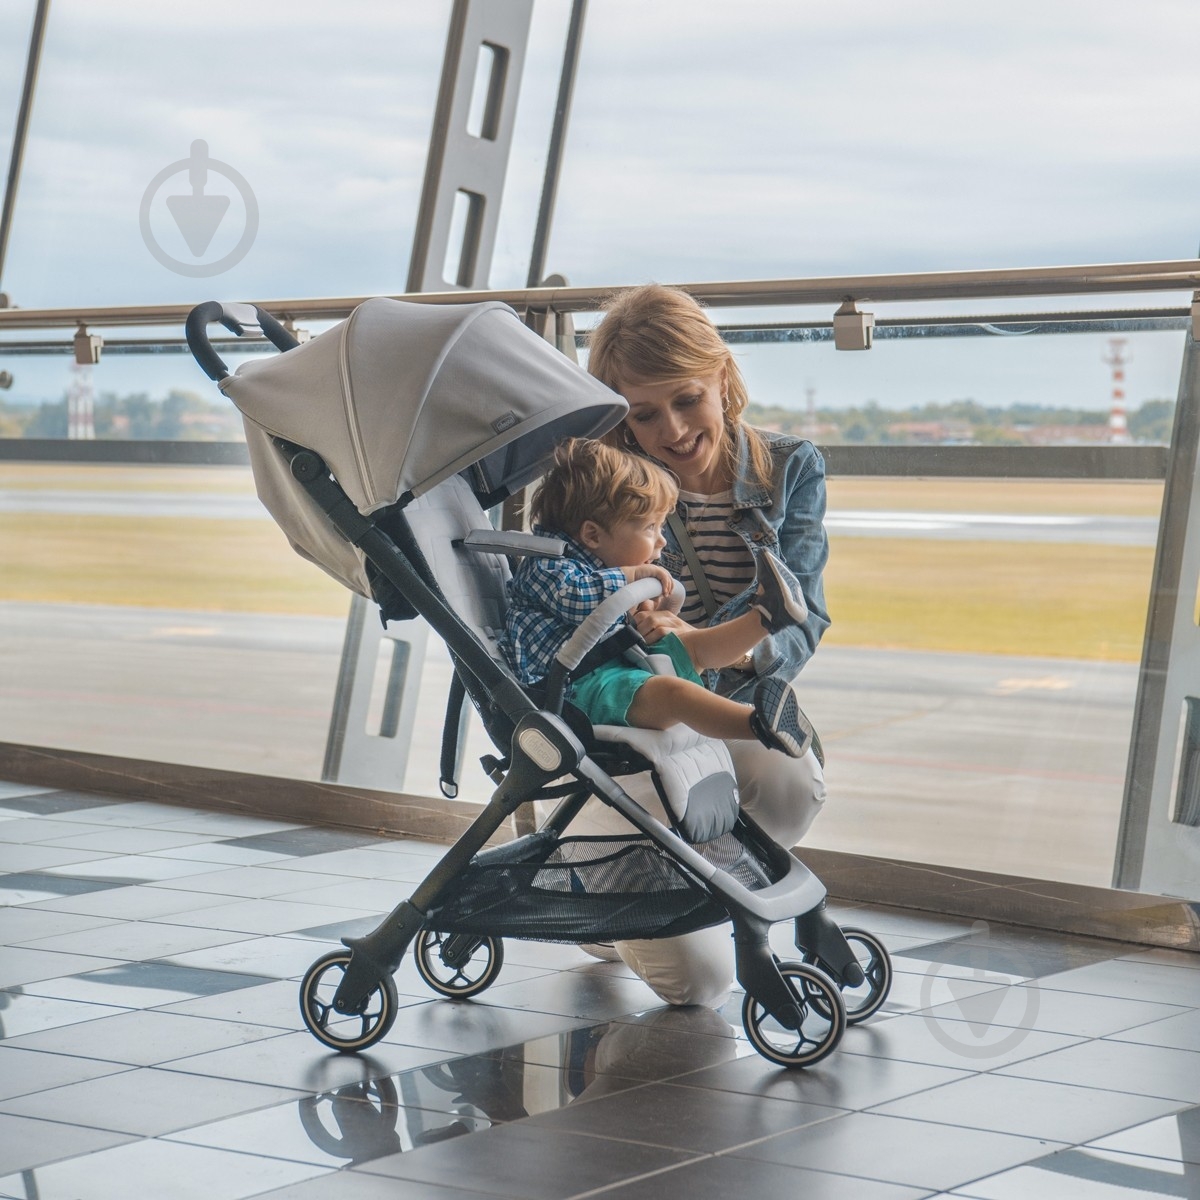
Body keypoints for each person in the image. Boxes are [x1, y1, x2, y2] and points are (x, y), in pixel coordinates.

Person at [579, 282, 833, 1007]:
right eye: (644, 413)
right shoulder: (599, 480)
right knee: (697, 985)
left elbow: (803, 619)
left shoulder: (790, 468)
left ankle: (660, 877)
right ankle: (605, 879)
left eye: (688, 398)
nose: (673, 430)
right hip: (631, 718)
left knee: (791, 784)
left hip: (728, 704)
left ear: (722, 376)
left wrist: (720, 651)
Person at [501, 438, 815, 757]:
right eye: (651, 527)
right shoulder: (545, 566)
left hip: (611, 664)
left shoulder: (595, 567)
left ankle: (765, 616)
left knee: (692, 645)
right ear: (592, 535)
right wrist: (630, 578)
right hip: (574, 691)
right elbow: (575, 597)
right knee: (674, 694)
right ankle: (760, 724)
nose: (662, 542)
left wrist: (643, 606)